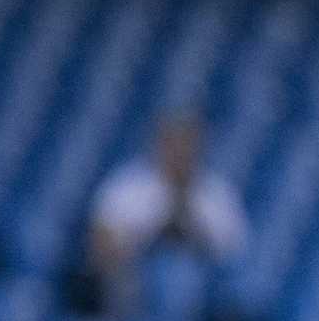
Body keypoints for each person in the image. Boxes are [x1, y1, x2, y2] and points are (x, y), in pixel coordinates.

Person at [90, 115, 248, 275]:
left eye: (187, 145)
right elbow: (102, 243)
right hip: (135, 274)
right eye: (173, 145)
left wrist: (191, 226)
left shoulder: (217, 192)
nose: (180, 153)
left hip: (202, 280)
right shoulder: (127, 185)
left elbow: (235, 250)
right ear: (159, 145)